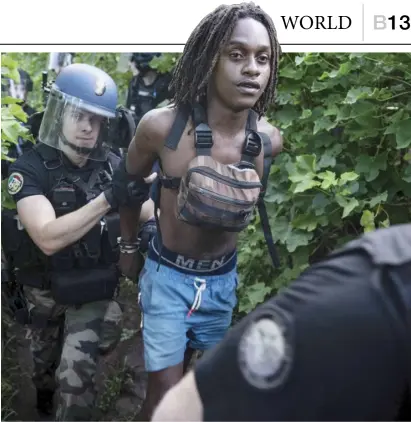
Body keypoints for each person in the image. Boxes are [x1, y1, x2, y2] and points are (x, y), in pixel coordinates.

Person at [116, 2, 283, 419]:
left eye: (263, 58)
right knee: (165, 400)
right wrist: (128, 246)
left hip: (222, 282)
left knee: (206, 395)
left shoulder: (266, 140)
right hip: (168, 278)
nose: (252, 69)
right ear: (209, 58)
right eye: (237, 54)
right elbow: (128, 186)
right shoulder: (162, 127)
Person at [4, 62, 155, 421]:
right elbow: (46, 237)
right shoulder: (30, 168)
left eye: (96, 118)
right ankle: (42, 399)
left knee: (76, 377)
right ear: (59, 114)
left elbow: (148, 211)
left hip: (92, 288)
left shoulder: (113, 165)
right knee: (43, 370)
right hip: (42, 290)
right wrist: (108, 199)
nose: (87, 126)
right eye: (78, 115)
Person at [152, 223, 411, 422]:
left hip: (219, 281)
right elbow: (187, 407)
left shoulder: (256, 150)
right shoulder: (378, 295)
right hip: (169, 274)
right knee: (168, 381)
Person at [125, 53, 172, 130]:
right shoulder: (135, 83)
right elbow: (129, 109)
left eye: (133, 62)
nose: (130, 65)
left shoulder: (166, 83)